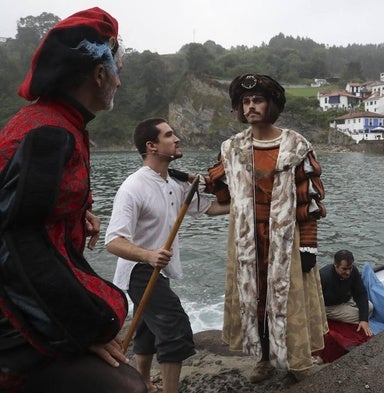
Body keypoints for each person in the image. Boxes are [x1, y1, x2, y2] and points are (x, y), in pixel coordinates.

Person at [0, 7, 147, 393]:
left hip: (24, 288)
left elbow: (34, 204)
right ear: (100, 74)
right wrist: (83, 330)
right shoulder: (49, 133)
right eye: (117, 68)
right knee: (127, 388)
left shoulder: (59, 122)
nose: (119, 80)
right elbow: (18, 240)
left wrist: (79, 213)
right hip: (13, 311)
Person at [205, 73, 328, 383]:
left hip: (287, 239)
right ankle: (264, 359)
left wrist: (309, 245)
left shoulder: (296, 145)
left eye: (257, 100)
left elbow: (308, 200)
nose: (251, 106)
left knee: (290, 301)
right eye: (245, 101)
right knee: (255, 301)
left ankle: (299, 361)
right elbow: (224, 195)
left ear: (272, 104)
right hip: (247, 241)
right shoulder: (231, 148)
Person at [105, 118, 230, 393]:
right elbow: (113, 241)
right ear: (151, 146)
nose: (177, 139)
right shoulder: (133, 187)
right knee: (174, 328)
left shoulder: (175, 182)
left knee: (148, 330)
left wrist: (249, 202)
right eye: (169, 135)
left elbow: (209, 209)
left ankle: (145, 383)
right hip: (138, 271)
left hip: (158, 269)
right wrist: (148, 255)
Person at [320, 250, 374, 337]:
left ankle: (360, 321)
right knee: (358, 317)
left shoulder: (353, 272)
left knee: (370, 307)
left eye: (350, 268)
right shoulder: (324, 276)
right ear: (335, 265)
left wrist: (364, 320)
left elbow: (361, 293)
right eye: (344, 269)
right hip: (328, 306)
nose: (348, 272)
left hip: (344, 299)